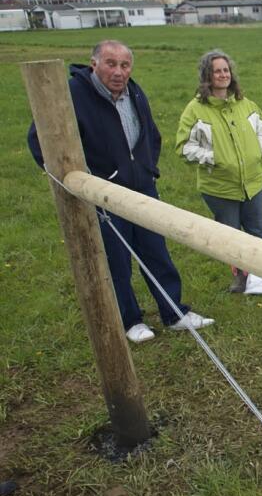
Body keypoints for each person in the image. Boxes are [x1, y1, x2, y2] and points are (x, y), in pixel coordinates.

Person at [27, 41, 214, 344]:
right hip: (104, 195)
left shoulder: (135, 92)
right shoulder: (73, 95)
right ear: (94, 64)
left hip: (142, 188)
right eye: (111, 64)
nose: (118, 71)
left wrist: (147, 168)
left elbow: (150, 134)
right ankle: (131, 319)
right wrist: (80, 183)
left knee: (156, 251)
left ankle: (174, 312)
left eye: (125, 65)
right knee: (116, 259)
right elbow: (40, 141)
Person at [175, 50, 262, 297]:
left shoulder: (245, 104)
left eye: (226, 70)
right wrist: (215, 158)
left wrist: (256, 151)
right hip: (219, 187)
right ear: (208, 75)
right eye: (217, 71)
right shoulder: (195, 110)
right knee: (231, 235)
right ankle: (240, 276)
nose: (223, 75)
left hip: (252, 182)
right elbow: (184, 147)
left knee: (258, 231)